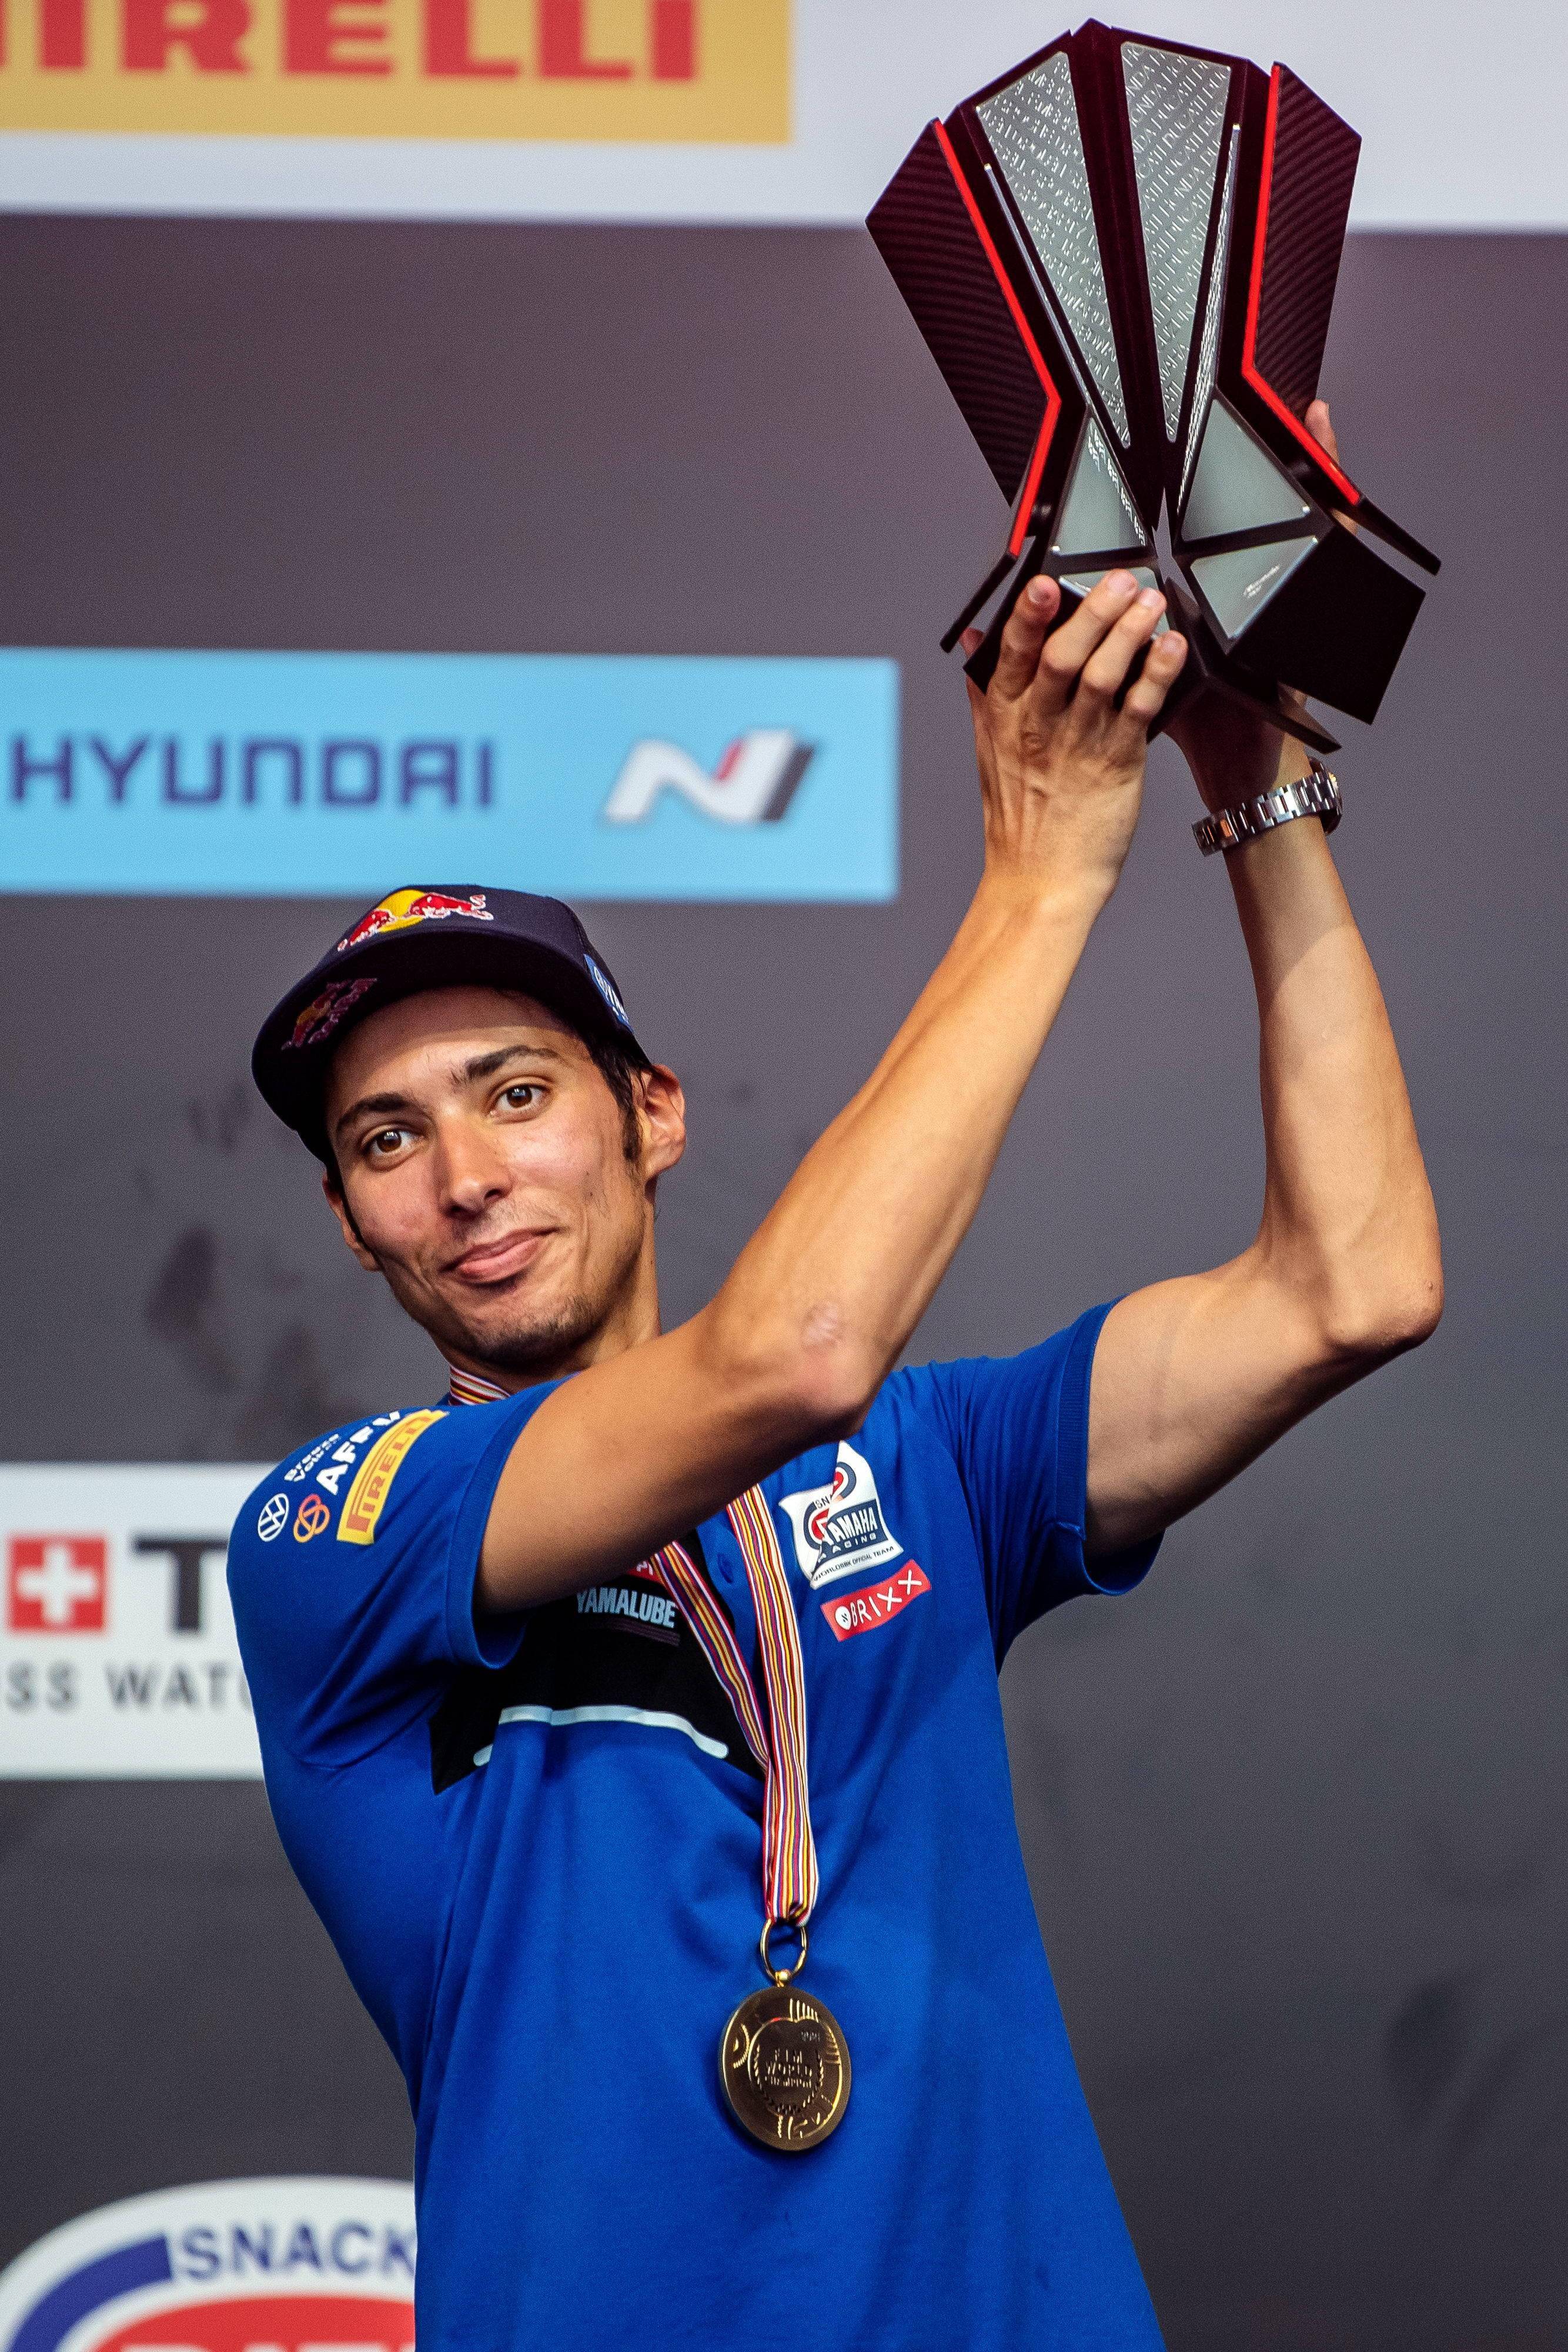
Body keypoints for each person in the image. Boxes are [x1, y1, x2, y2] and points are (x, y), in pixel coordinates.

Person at [230, 407, 1441, 2352]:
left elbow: (1350, 1287)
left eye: (515, 1095)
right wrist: (1038, 877)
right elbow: (788, 1355)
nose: (461, 1176)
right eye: (387, 1141)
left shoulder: (930, 1461)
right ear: (349, 1223)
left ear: (652, 1116)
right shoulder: (338, 1531)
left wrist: (1258, 785)